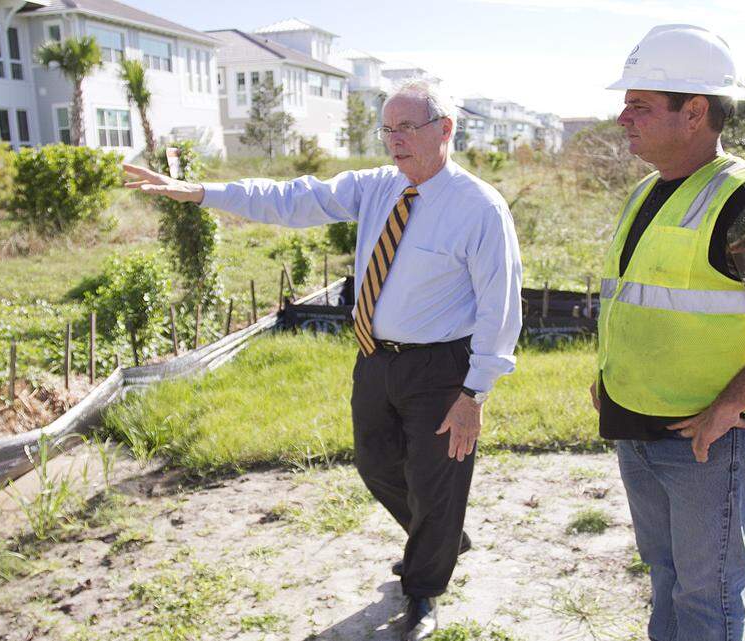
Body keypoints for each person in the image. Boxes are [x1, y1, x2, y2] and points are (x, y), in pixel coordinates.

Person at [123, 81, 522, 641]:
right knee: (375, 465)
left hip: (442, 369)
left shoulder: (479, 207)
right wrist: (200, 192)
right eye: (387, 129)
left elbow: (501, 308)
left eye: (406, 128)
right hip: (375, 359)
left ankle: (423, 589)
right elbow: (289, 198)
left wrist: (474, 393)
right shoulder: (377, 187)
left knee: (436, 483)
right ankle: (441, 538)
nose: (394, 141)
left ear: (445, 129)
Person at [592, 24, 745, 641]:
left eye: (640, 104)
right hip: (639, 425)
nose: (623, 116)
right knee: (666, 575)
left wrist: (729, 406)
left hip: (707, 439)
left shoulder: (744, 200)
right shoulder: (651, 189)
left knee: (705, 592)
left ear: (695, 111)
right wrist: (610, 381)